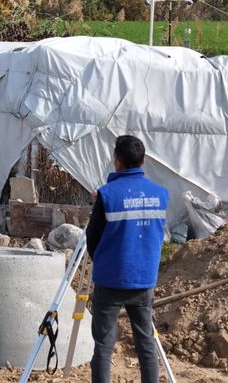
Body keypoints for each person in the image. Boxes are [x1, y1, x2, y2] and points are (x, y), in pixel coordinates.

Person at [85, 135, 169, 383]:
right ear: (142, 161)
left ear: (117, 161)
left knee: (103, 346)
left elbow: (92, 238)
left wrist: (103, 261)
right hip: (144, 280)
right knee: (146, 344)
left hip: (110, 280)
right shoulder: (161, 194)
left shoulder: (107, 195)